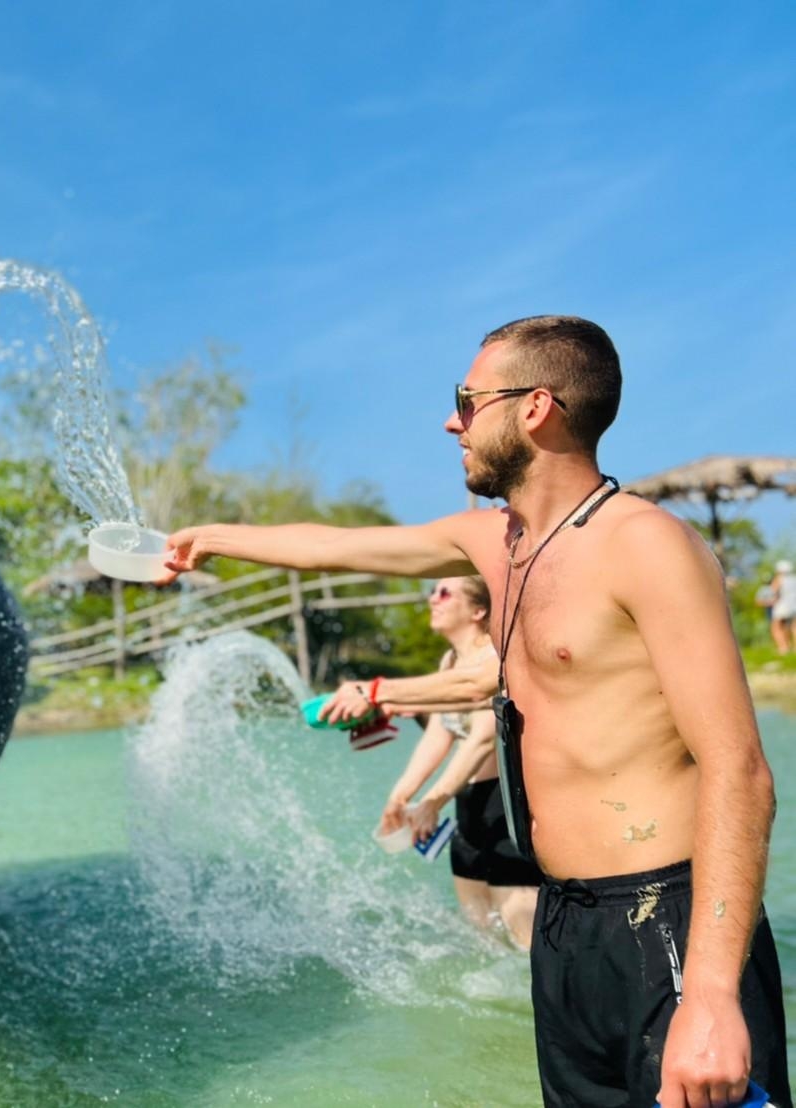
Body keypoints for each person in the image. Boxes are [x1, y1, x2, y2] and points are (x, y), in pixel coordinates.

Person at [160, 316, 788, 1108]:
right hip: (562, 925)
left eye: (466, 399)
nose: (451, 420)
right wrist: (204, 541)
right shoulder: (497, 543)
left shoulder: (646, 545)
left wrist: (712, 995)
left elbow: (741, 770)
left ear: (535, 408)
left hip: (664, 917)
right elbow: (336, 547)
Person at [350, 576, 542, 947]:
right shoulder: (450, 661)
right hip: (467, 805)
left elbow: (482, 740)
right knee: (483, 939)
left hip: (506, 806)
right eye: (431, 591)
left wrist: (432, 802)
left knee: (523, 938)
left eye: (443, 592)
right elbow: (440, 734)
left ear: (478, 610)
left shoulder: (495, 659)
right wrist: (401, 796)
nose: (432, 599)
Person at [768, 559, 795, 655]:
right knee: (793, 626)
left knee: (776, 626)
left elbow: (773, 591)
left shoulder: (779, 579)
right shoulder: (794, 579)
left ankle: (783, 648)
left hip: (782, 605)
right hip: (793, 606)